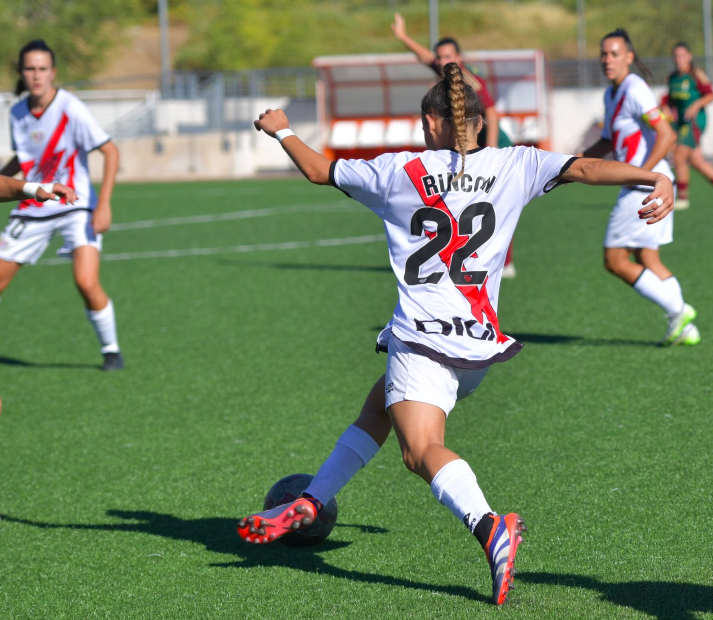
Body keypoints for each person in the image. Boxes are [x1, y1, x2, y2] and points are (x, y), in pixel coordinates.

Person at [235, 63, 674, 606]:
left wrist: (281, 128)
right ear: (483, 125)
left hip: (421, 338)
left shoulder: (399, 170)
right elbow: (584, 168)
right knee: (378, 408)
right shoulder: (518, 163)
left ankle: (489, 526)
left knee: (420, 451)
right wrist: (653, 176)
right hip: (477, 347)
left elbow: (319, 170)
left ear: (430, 120)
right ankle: (310, 499)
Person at [0, 40, 123, 371]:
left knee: (85, 282)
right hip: (35, 205)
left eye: (42, 68)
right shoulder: (16, 112)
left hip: (75, 205)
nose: (36, 75)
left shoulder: (71, 107)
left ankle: (111, 350)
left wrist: (104, 205)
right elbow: (26, 159)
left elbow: (110, 151)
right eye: (29, 68)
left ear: (53, 72)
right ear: (21, 73)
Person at [580, 29, 700, 346]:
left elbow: (667, 134)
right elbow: (608, 139)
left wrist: (641, 174)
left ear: (629, 57)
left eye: (614, 53)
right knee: (649, 258)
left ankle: (679, 309)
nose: (607, 59)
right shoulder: (611, 94)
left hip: (644, 187)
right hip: (649, 185)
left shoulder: (634, 87)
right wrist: (573, 163)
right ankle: (685, 328)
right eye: (604, 54)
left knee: (615, 261)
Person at [391, 13, 519, 279]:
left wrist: (492, 153)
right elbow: (425, 57)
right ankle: (461, 251)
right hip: (470, 142)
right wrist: (403, 37)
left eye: (447, 56)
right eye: (439, 57)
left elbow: (492, 117)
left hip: (491, 140)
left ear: (460, 58)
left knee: (496, 200)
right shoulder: (445, 71)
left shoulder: (471, 81)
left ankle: (505, 262)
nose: (441, 60)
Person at [663, 42, 713, 210]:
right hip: (681, 123)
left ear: (689, 56)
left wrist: (696, 105)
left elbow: (711, 95)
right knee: (696, 160)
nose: (679, 59)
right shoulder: (673, 78)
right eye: (676, 56)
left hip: (695, 123)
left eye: (682, 55)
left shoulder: (696, 75)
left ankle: (682, 199)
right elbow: (669, 100)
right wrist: (665, 108)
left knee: (679, 157)